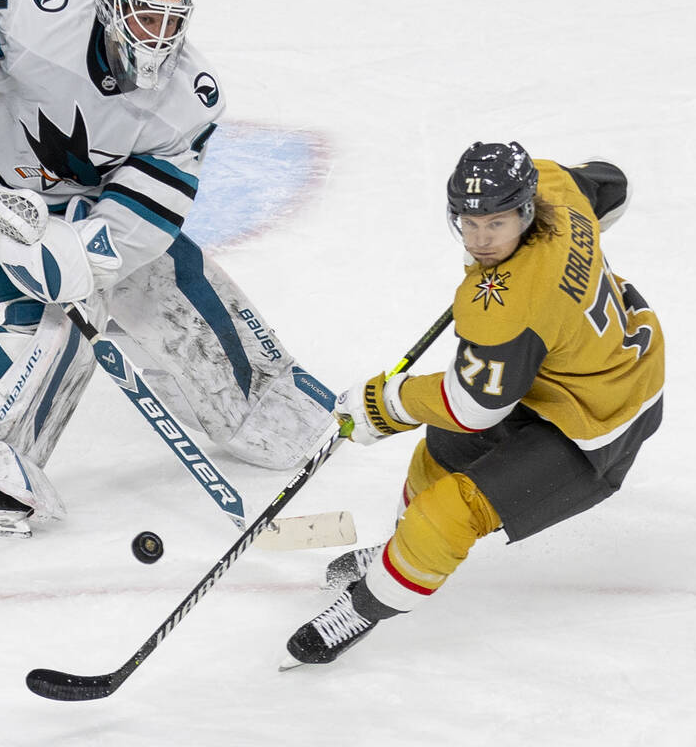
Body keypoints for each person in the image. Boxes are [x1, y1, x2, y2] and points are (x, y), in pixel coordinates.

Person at [0, 0, 336, 536]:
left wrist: (84, 253)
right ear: (112, 9)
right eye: (148, 19)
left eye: (173, 23)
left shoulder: (189, 97)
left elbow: (151, 207)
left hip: (85, 203)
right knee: (55, 315)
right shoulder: (42, 17)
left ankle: (262, 407)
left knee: (169, 273)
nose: (160, 37)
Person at [282, 141, 664, 667]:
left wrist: (383, 404)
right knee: (440, 451)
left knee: (447, 513)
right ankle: (399, 552)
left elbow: (473, 408)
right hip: (563, 369)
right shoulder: (552, 182)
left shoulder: (508, 307)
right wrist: (563, 255)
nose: (482, 239)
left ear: (527, 210)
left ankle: (365, 607)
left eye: (498, 224)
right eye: (470, 222)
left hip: (602, 422)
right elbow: (612, 186)